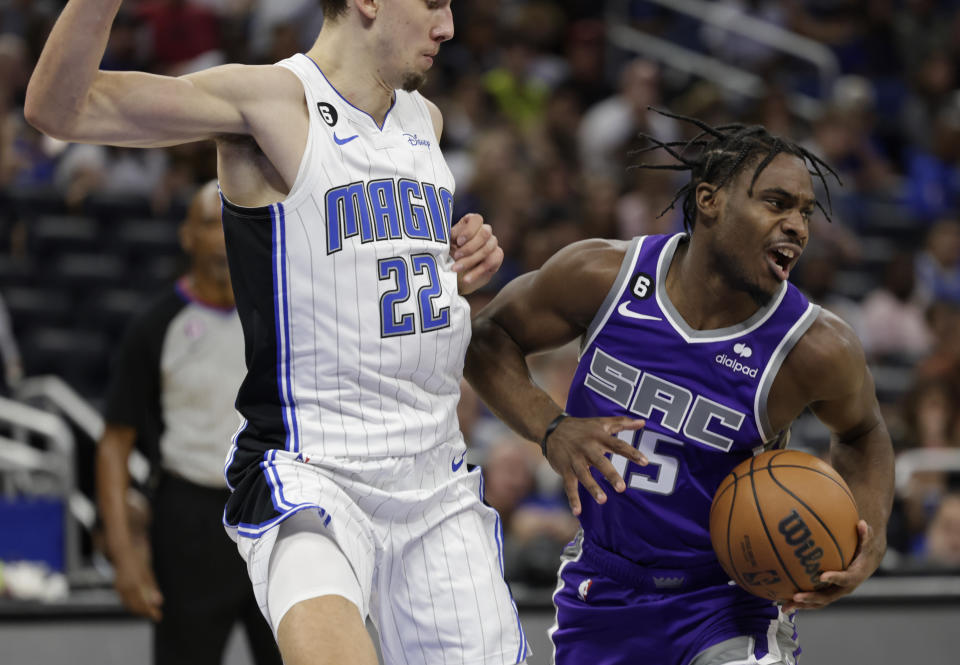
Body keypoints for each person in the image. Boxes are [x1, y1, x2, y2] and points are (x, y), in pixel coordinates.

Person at [27, 2, 520, 664]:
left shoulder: (424, 122)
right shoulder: (268, 100)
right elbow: (61, 109)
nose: (449, 27)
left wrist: (454, 263)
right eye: (432, 3)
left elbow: (365, 276)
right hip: (316, 470)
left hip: (435, 474)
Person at [465, 112, 895, 665]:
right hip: (604, 585)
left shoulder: (814, 346)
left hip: (727, 600)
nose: (798, 226)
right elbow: (487, 340)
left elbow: (863, 431)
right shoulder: (603, 277)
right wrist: (551, 429)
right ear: (711, 200)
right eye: (776, 203)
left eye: (805, 212)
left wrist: (870, 537)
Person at [96, 181, 282, 665]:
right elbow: (114, 445)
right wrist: (124, 554)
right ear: (187, 237)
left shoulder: (283, 314)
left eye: (230, 221)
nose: (222, 235)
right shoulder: (156, 325)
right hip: (190, 521)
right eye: (208, 222)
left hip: (276, 510)